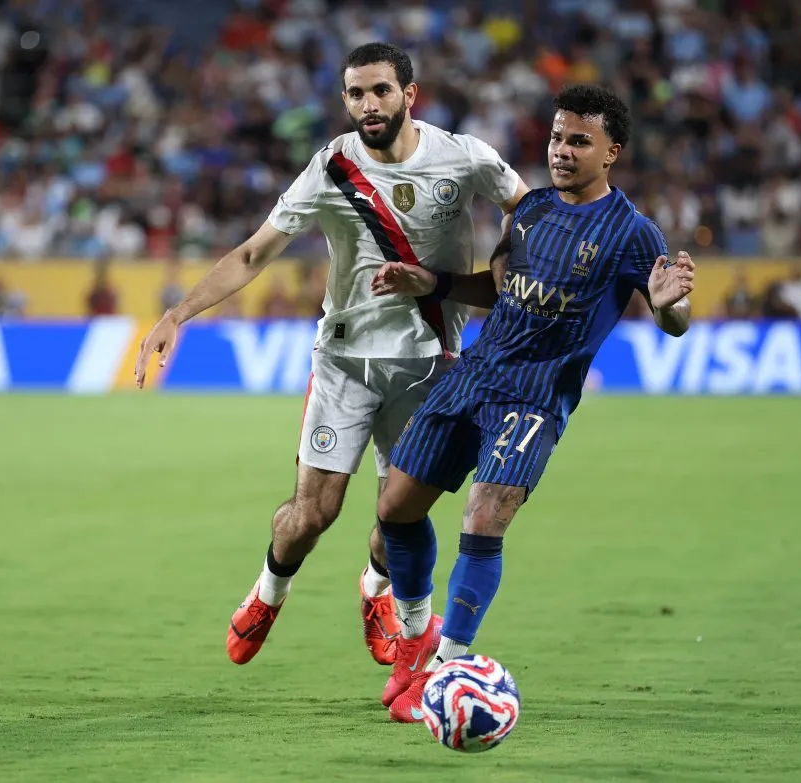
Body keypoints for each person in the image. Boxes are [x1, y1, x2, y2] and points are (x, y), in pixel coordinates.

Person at [133, 43, 528, 668]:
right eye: (355, 94)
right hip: (344, 362)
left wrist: (510, 262)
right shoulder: (331, 168)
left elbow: (528, 212)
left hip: (431, 362)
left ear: (409, 94)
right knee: (314, 514)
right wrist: (177, 314)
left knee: (398, 514)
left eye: (380, 91)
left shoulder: (464, 157)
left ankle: (375, 589)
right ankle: (269, 591)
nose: (367, 105)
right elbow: (252, 255)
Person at [367, 84, 694, 722]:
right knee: (394, 512)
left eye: (579, 141)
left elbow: (673, 320)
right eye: (556, 137)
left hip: (536, 396)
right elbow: (500, 289)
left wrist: (667, 302)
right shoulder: (532, 211)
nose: (562, 151)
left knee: (484, 517)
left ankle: (447, 666)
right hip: (476, 373)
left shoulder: (632, 232)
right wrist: (430, 283)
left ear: (612, 152)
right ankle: (416, 635)